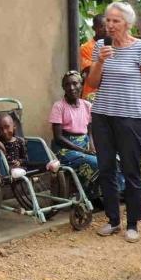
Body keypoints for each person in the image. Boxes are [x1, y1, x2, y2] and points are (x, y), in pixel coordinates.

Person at [84, 1, 141, 243]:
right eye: (108, 20)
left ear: (127, 23)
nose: (110, 25)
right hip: (103, 115)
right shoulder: (101, 47)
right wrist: (101, 61)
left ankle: (133, 223)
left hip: (131, 117)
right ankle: (113, 220)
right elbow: (93, 83)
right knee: (105, 168)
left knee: (131, 169)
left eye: (116, 21)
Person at [49, 70, 100, 199]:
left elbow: (90, 131)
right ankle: (87, 196)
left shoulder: (87, 105)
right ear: (63, 87)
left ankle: (103, 195)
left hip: (84, 143)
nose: (71, 88)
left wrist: (92, 147)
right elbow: (58, 138)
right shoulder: (58, 106)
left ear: (81, 85)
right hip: (65, 148)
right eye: (67, 85)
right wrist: (83, 150)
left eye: (74, 83)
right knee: (95, 162)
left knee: (111, 158)